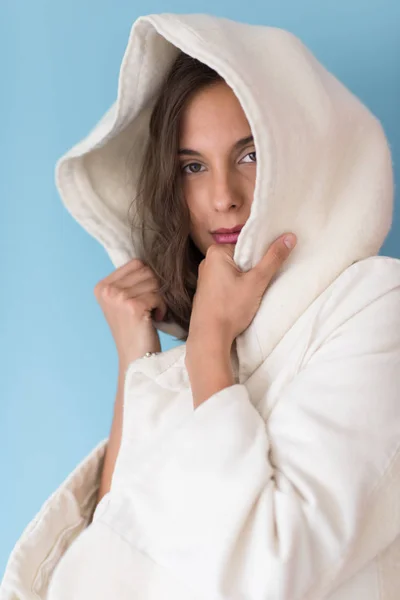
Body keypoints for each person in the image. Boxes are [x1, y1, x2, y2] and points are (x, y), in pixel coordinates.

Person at [1, 12, 400, 600]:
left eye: (250, 154)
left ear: (305, 152)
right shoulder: (214, 347)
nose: (222, 198)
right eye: (193, 167)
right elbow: (107, 557)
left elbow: (270, 573)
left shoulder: (374, 305)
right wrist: (139, 361)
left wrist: (209, 343)